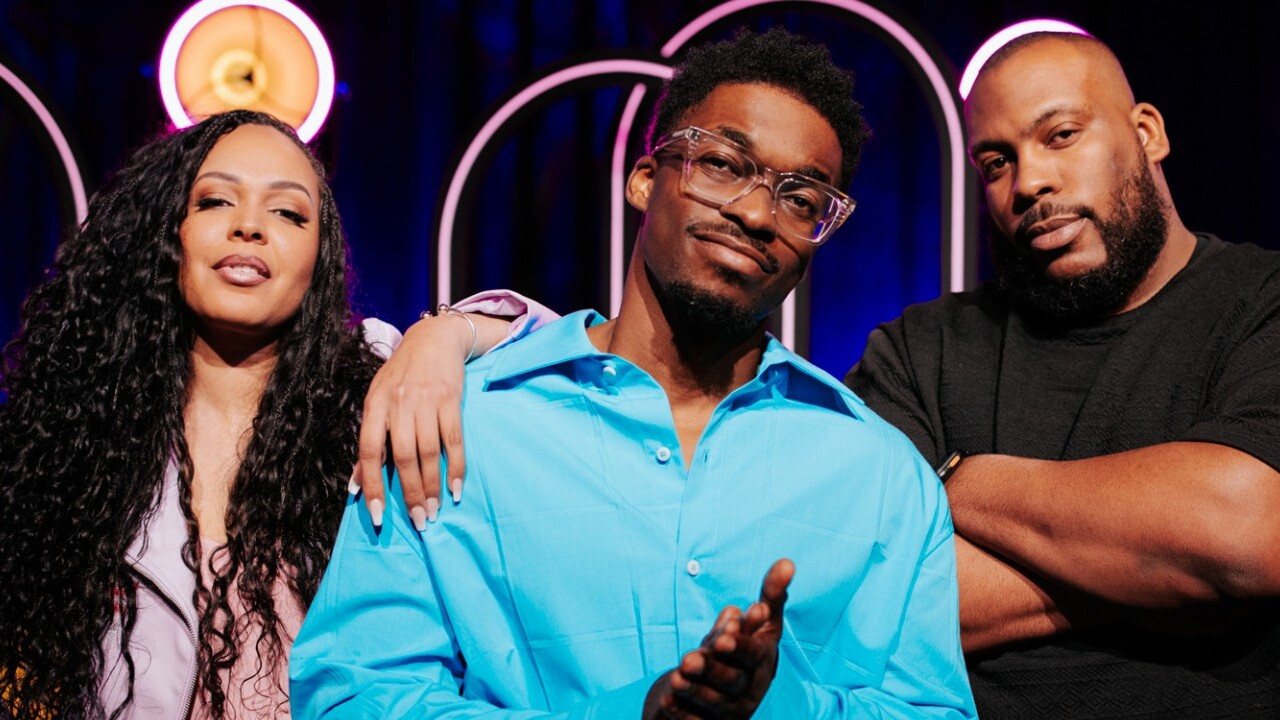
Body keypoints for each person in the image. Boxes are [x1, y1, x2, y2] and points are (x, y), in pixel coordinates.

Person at [292, 29, 976, 719]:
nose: (755, 213)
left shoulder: (881, 475)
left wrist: (775, 706)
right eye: (723, 164)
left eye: (801, 199)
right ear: (646, 179)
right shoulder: (456, 422)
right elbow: (353, 697)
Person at [844, 32, 1280, 717]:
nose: (1029, 183)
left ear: (1147, 133)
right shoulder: (918, 351)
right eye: (997, 162)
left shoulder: (1265, 302)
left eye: (1062, 135)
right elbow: (861, 598)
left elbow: (1245, 531)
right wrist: (1166, 576)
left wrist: (962, 481)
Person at [0, 110, 391, 720]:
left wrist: (452, 332)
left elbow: (545, 348)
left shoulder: (381, 400)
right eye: (215, 201)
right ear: (166, 230)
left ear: (320, 256)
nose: (249, 226)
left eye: (287, 213)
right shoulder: (71, 445)